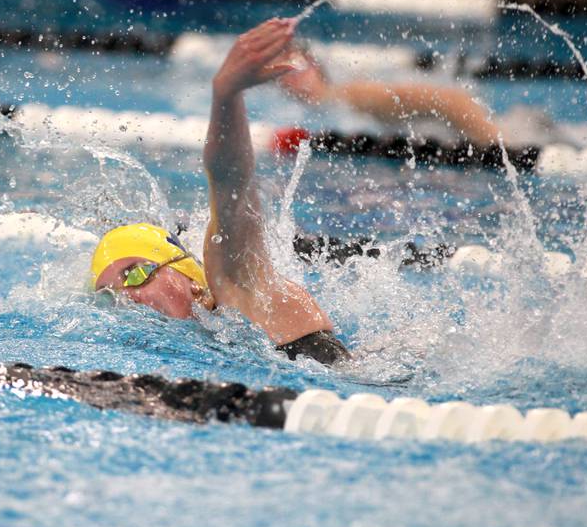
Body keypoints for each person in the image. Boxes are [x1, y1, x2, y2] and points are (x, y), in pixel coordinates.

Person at [90, 18, 350, 366]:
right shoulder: (204, 341)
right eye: (110, 297)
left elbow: (231, 184)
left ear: (189, 278)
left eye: (135, 274)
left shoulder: (242, 290)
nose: (127, 298)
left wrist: (226, 93)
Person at [277, 45, 503, 146]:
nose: (290, 77)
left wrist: (497, 144)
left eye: (296, 66)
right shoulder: (310, 112)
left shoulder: (351, 96)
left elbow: (451, 100)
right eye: (280, 71)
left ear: (315, 66)